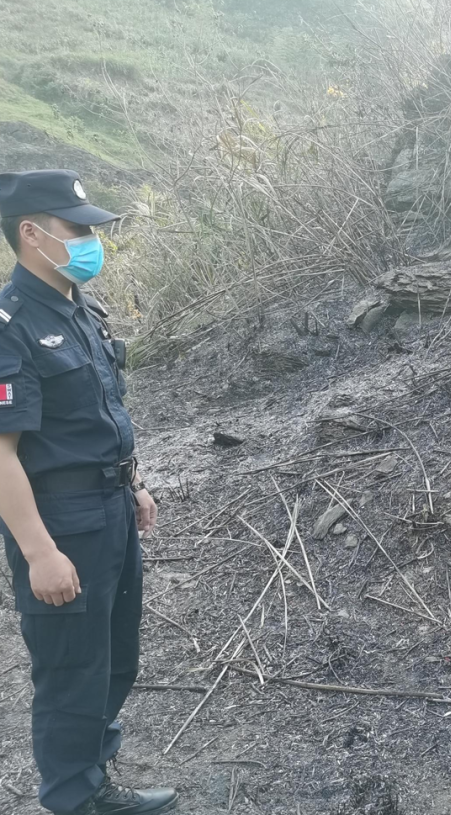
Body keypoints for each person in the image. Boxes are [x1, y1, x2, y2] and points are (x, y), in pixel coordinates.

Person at [0, 170, 178, 815]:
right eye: (76, 229)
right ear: (31, 233)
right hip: (61, 519)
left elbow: (100, 412)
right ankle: (73, 798)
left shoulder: (82, 309)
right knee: (72, 665)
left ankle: (92, 775)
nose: (90, 240)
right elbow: (1, 453)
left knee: (115, 656)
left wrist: (135, 483)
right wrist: (39, 551)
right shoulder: (11, 325)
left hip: (111, 506)